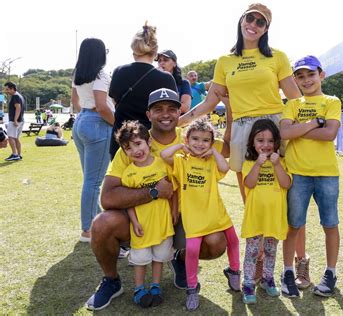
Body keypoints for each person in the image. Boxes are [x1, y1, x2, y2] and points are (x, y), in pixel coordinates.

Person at [86, 88, 228, 311]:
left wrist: (230, 106)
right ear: (148, 113)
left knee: (217, 242)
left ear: (180, 111)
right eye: (158, 109)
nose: (166, 114)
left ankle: (179, 259)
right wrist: (154, 192)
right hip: (143, 218)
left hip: (184, 219)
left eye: (172, 108)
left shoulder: (193, 137)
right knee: (102, 224)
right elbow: (108, 197)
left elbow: (229, 148)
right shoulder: (136, 143)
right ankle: (112, 280)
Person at [179, 3, 300, 203]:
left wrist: (310, 124)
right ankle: (253, 232)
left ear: (266, 29)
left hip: (274, 126)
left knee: (278, 185)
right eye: (250, 18)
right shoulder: (225, 61)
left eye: (260, 22)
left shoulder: (277, 56)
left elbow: (295, 98)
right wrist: (178, 122)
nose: (253, 24)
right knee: (248, 188)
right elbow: (209, 103)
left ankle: (274, 233)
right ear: (242, 20)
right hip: (241, 126)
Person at [161, 118, 240, 311]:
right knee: (193, 251)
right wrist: (181, 146)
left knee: (234, 241)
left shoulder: (212, 160)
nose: (200, 143)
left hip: (216, 213)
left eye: (205, 140)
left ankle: (234, 272)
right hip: (194, 218)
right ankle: (191, 289)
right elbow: (164, 155)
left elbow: (225, 168)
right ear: (187, 140)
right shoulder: (181, 161)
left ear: (211, 143)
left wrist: (213, 151)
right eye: (195, 139)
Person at [280, 55, 341, 297]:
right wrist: (315, 122)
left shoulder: (332, 100)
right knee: (293, 225)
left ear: (321, 75)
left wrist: (298, 129)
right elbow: (284, 131)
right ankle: (287, 272)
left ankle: (331, 272)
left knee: (330, 224)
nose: (306, 80)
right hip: (298, 174)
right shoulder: (292, 103)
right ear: (295, 80)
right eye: (300, 76)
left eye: (311, 74)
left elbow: (330, 134)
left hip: (327, 174)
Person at [114, 121, 175, 308]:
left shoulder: (163, 165)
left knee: (159, 257)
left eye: (138, 143)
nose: (135, 150)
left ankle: (156, 286)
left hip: (163, 224)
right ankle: (139, 289)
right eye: (128, 148)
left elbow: (174, 190)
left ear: (148, 143)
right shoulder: (129, 174)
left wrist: (174, 211)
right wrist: (134, 222)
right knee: (140, 260)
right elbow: (129, 202)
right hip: (141, 225)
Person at [108, 22, 177, 160]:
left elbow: (115, 100)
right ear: (155, 52)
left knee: (121, 180)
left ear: (134, 49)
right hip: (151, 140)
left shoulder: (119, 71)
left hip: (122, 140)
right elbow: (171, 110)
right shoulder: (165, 78)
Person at [240, 119, 291, 304]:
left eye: (270, 141)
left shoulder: (282, 162)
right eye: (260, 140)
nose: (266, 145)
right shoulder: (249, 162)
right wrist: (257, 165)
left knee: (270, 250)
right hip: (255, 217)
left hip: (274, 217)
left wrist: (277, 165)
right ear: (252, 143)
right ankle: (248, 284)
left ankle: (268, 279)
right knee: (252, 252)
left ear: (276, 142)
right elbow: (249, 183)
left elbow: (286, 183)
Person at [71, 38, 115, 243]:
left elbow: (75, 102)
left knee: (90, 179)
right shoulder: (101, 74)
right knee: (93, 181)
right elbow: (102, 106)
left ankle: (93, 221)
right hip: (97, 123)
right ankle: (88, 230)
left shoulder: (78, 73)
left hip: (81, 121)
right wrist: (117, 125)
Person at [3, 82, 25, 161]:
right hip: (21, 120)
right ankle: (18, 155)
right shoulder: (19, 96)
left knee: (10, 137)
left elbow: (18, 108)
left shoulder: (15, 96)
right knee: (16, 138)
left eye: (7, 89)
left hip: (15, 121)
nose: (6, 91)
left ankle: (15, 154)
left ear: (12, 89)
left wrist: (15, 120)